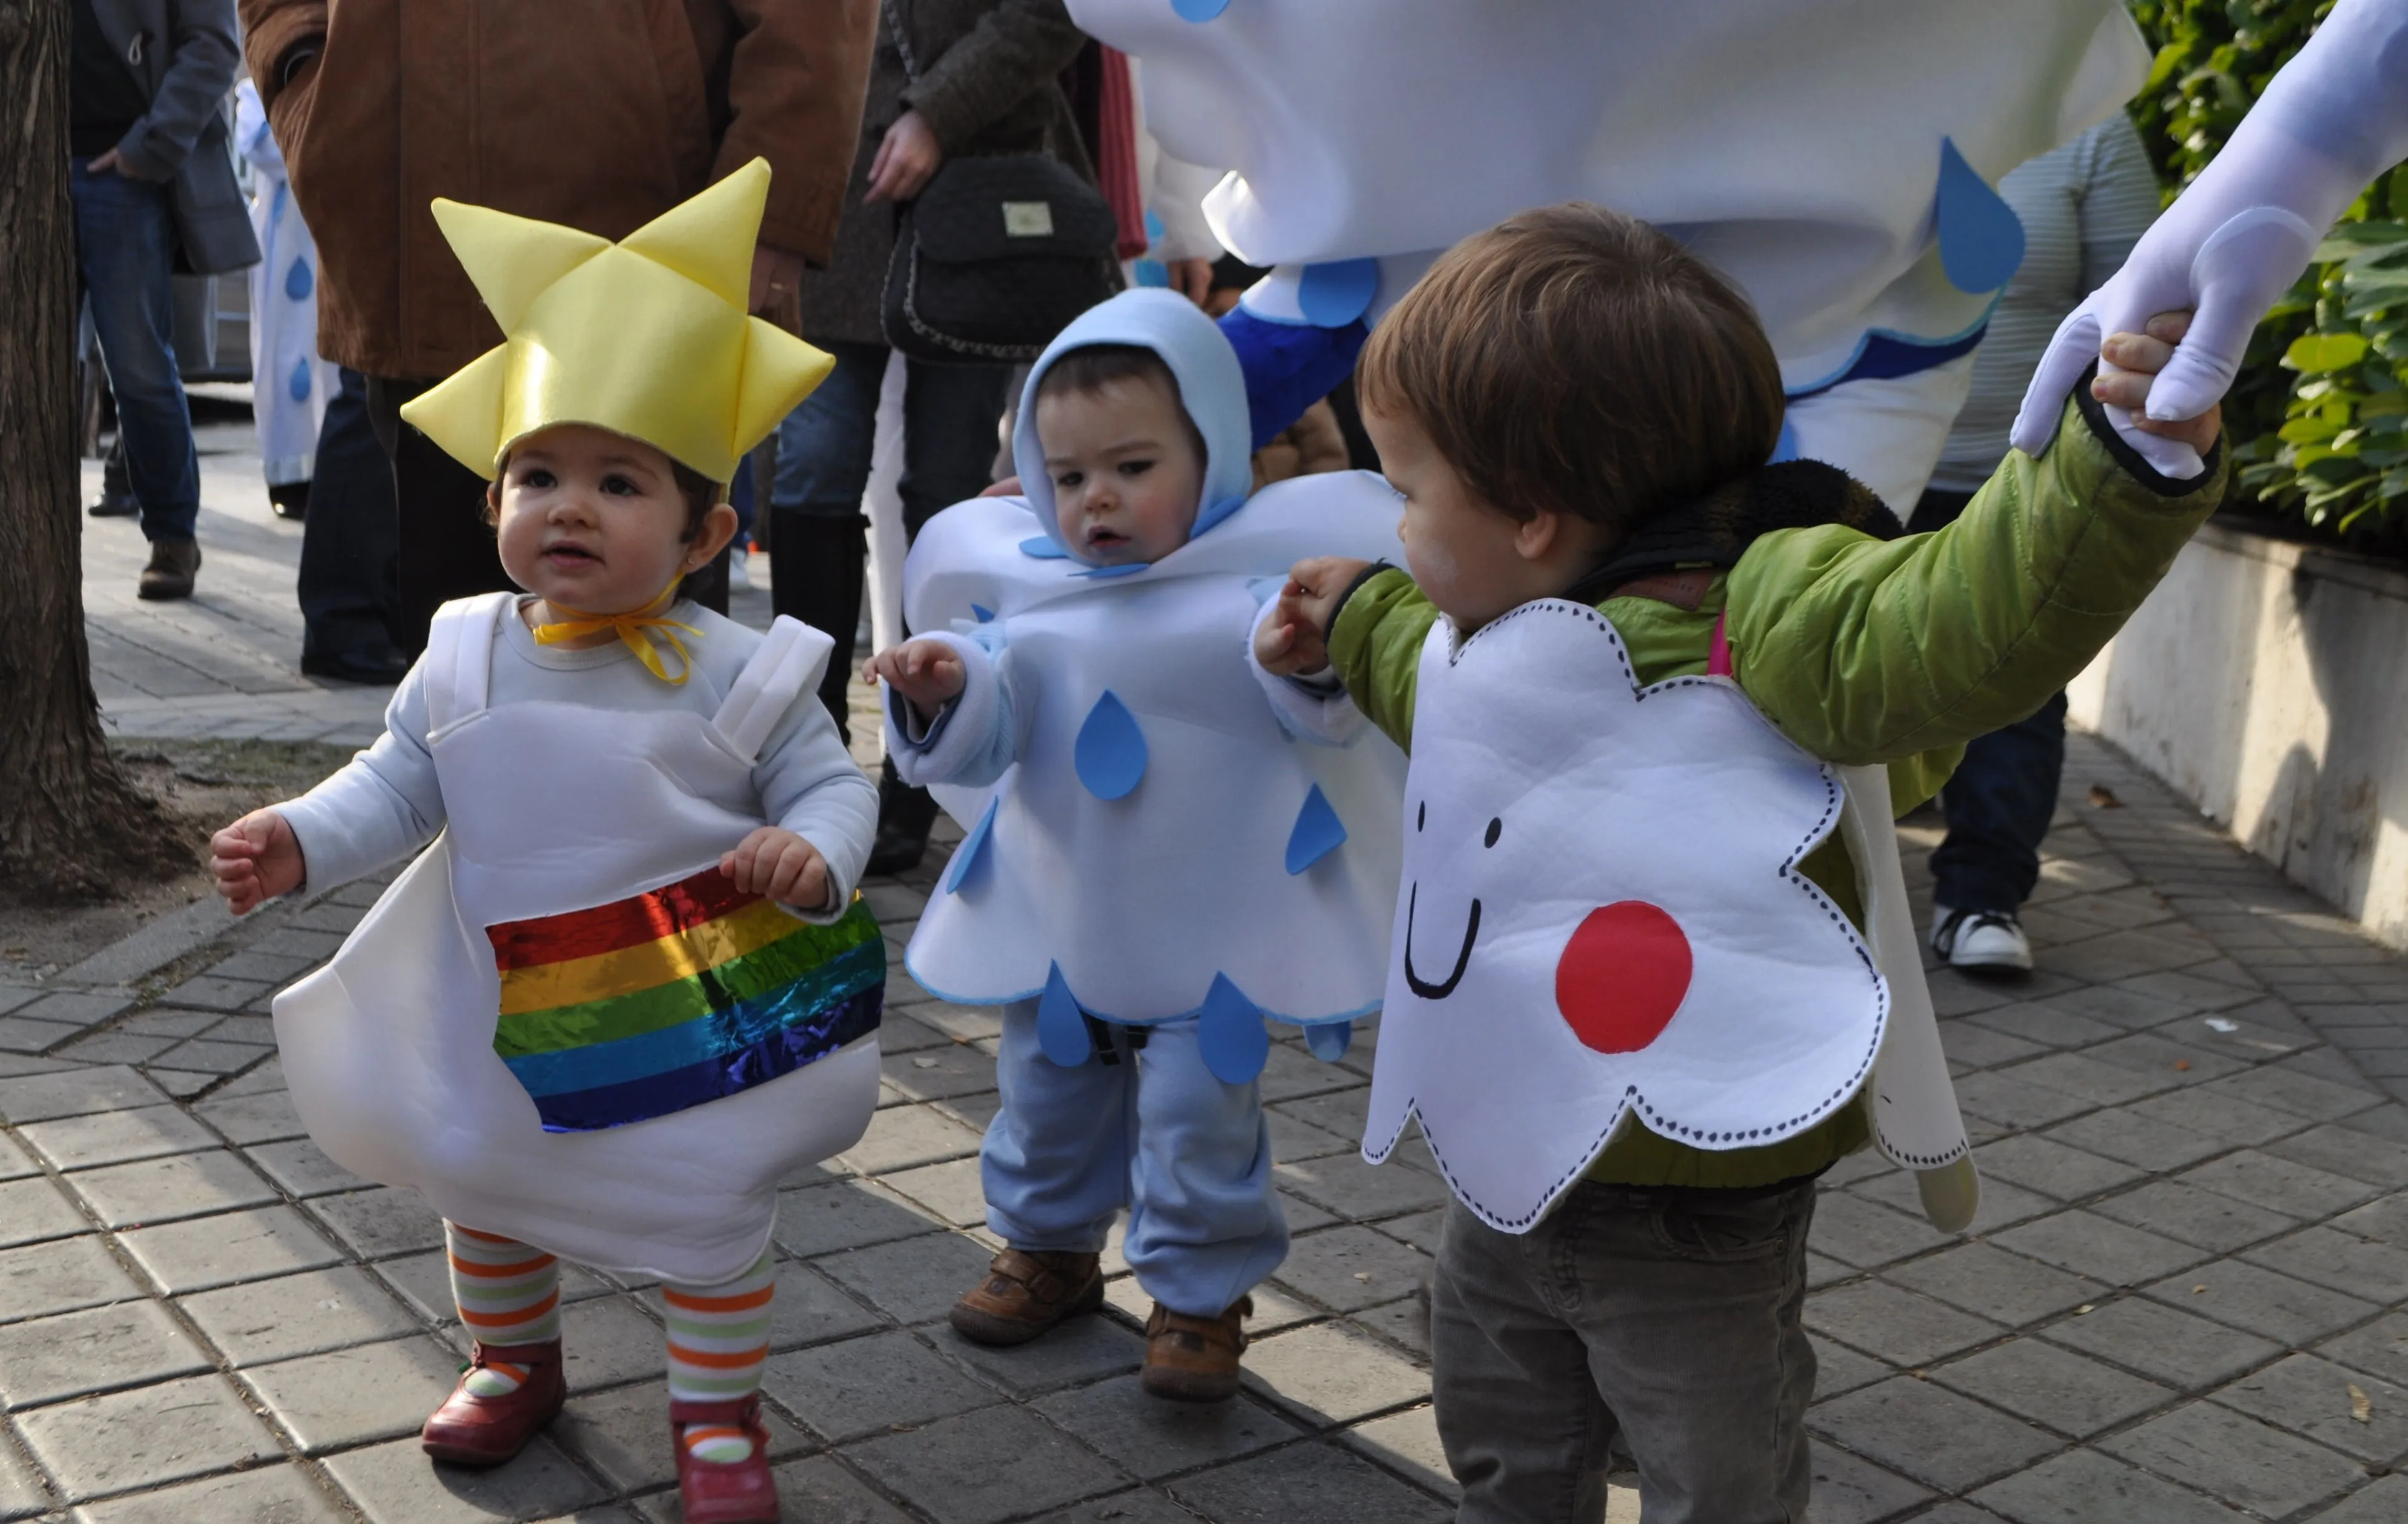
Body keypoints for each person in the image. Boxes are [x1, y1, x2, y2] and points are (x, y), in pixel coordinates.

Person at [1255, 204, 2226, 1522]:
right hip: (1510, 1153)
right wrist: (1346, 611)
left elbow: (1966, 618)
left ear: (1534, 516)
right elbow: (1430, 686)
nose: (1395, 522)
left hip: (1701, 1199)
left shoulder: (1765, 614)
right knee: (1497, 1427)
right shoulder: (1479, 632)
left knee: (1717, 1469)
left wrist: (2113, 465)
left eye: (1407, 491)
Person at [207, 166, 881, 1524]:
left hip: (686, 1006)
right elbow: (399, 783)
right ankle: (514, 1354)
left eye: (617, 481)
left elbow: (830, 782)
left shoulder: (743, 674)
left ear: (705, 535)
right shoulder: (464, 651)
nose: (568, 506)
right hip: (494, 999)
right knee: (487, 1183)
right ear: (494, 501)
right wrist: (299, 839)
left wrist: (816, 856)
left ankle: (720, 1418)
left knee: (701, 1212)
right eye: (538, 474)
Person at [864, 290, 1405, 1401]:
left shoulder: (1261, 595)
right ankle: (1048, 1248)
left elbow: (1322, 712)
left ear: (1210, 454)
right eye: (1066, 477)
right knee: (1044, 1085)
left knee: (1199, 1108)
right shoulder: (1027, 609)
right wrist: (946, 690)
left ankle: (1200, 1290)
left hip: (1216, 933)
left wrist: (1304, 656)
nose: (1095, 499)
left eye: (1132, 466)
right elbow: (989, 739)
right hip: (1062, 920)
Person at [238, 0, 879, 654]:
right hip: (412, 231)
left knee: (647, 653)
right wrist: (304, 71)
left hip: (648, 234)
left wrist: (771, 202)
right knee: (459, 665)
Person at [772, 0, 1097, 877]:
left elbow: (1050, 15)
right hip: (825, 210)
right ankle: (809, 760)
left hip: (973, 203)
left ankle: (924, 765)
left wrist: (935, 112)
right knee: (809, 476)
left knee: (945, 495)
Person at [1911, 112, 2161, 974]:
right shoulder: (1839, 78)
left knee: (2013, 678)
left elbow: (2144, 308)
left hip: (2012, 478)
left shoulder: (2089, 127)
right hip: (1847, 471)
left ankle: (1979, 895)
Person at [69, 0, 259, 599]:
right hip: (32, 165)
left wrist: (148, 147)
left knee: (140, 369)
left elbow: (213, 47)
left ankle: (173, 536)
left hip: (122, 173)